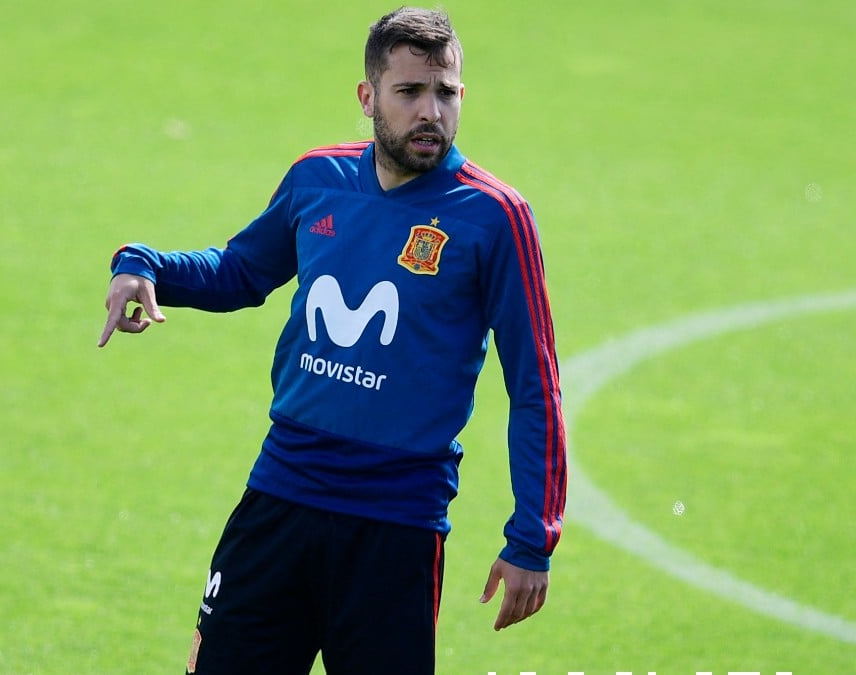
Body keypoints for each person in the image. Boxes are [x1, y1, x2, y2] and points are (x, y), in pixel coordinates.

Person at [97, 7, 566, 675]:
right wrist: (144, 262)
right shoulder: (317, 180)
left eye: (446, 92)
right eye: (410, 92)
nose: (430, 110)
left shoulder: (494, 217)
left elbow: (534, 385)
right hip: (281, 498)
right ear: (368, 96)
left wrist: (532, 537)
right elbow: (239, 271)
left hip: (395, 526)